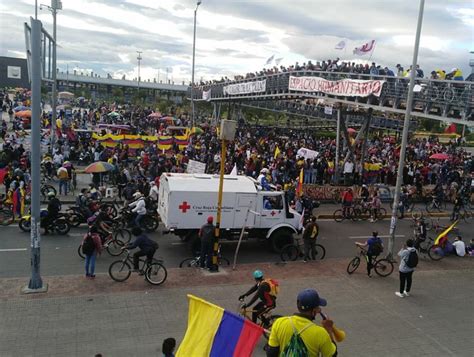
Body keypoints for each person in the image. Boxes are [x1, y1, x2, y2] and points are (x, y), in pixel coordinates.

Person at [266, 289, 337, 357]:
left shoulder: (279, 323)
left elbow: (271, 353)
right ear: (314, 310)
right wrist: (329, 331)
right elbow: (332, 355)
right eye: (318, 307)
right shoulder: (320, 333)